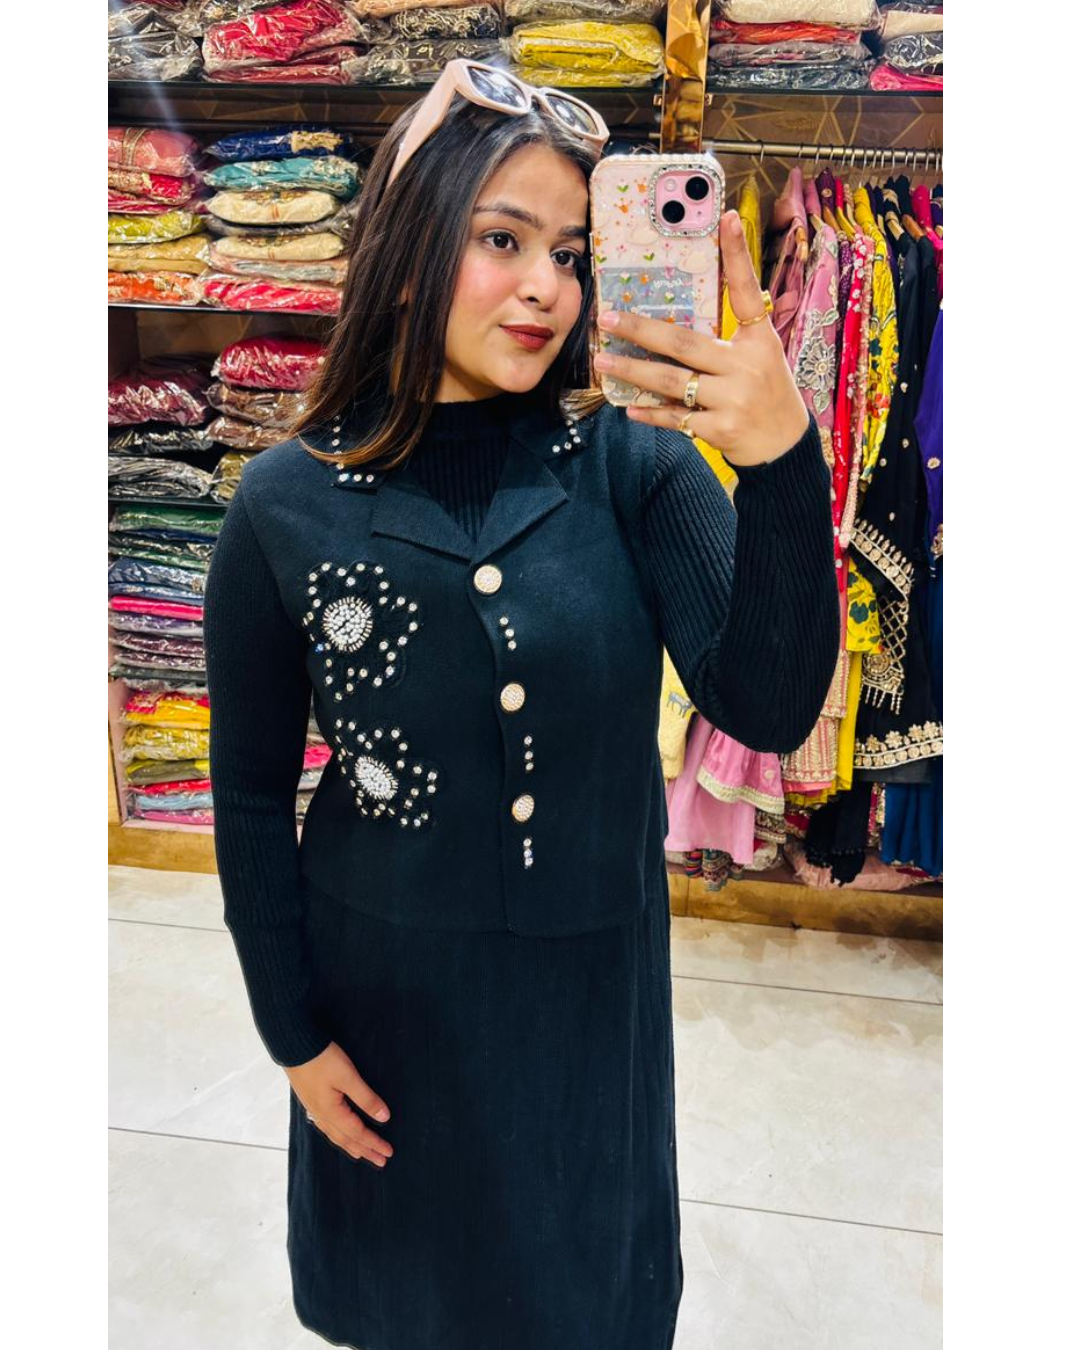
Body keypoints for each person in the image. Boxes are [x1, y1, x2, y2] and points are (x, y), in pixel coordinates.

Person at [203, 60, 838, 1350]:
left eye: (569, 251)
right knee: (402, 1311)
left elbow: (768, 707)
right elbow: (253, 795)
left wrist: (781, 460)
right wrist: (292, 1036)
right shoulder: (283, 504)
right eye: (501, 239)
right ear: (410, 244)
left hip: (582, 1023)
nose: (546, 285)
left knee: (583, 1308)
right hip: (383, 1021)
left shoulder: (637, 469)